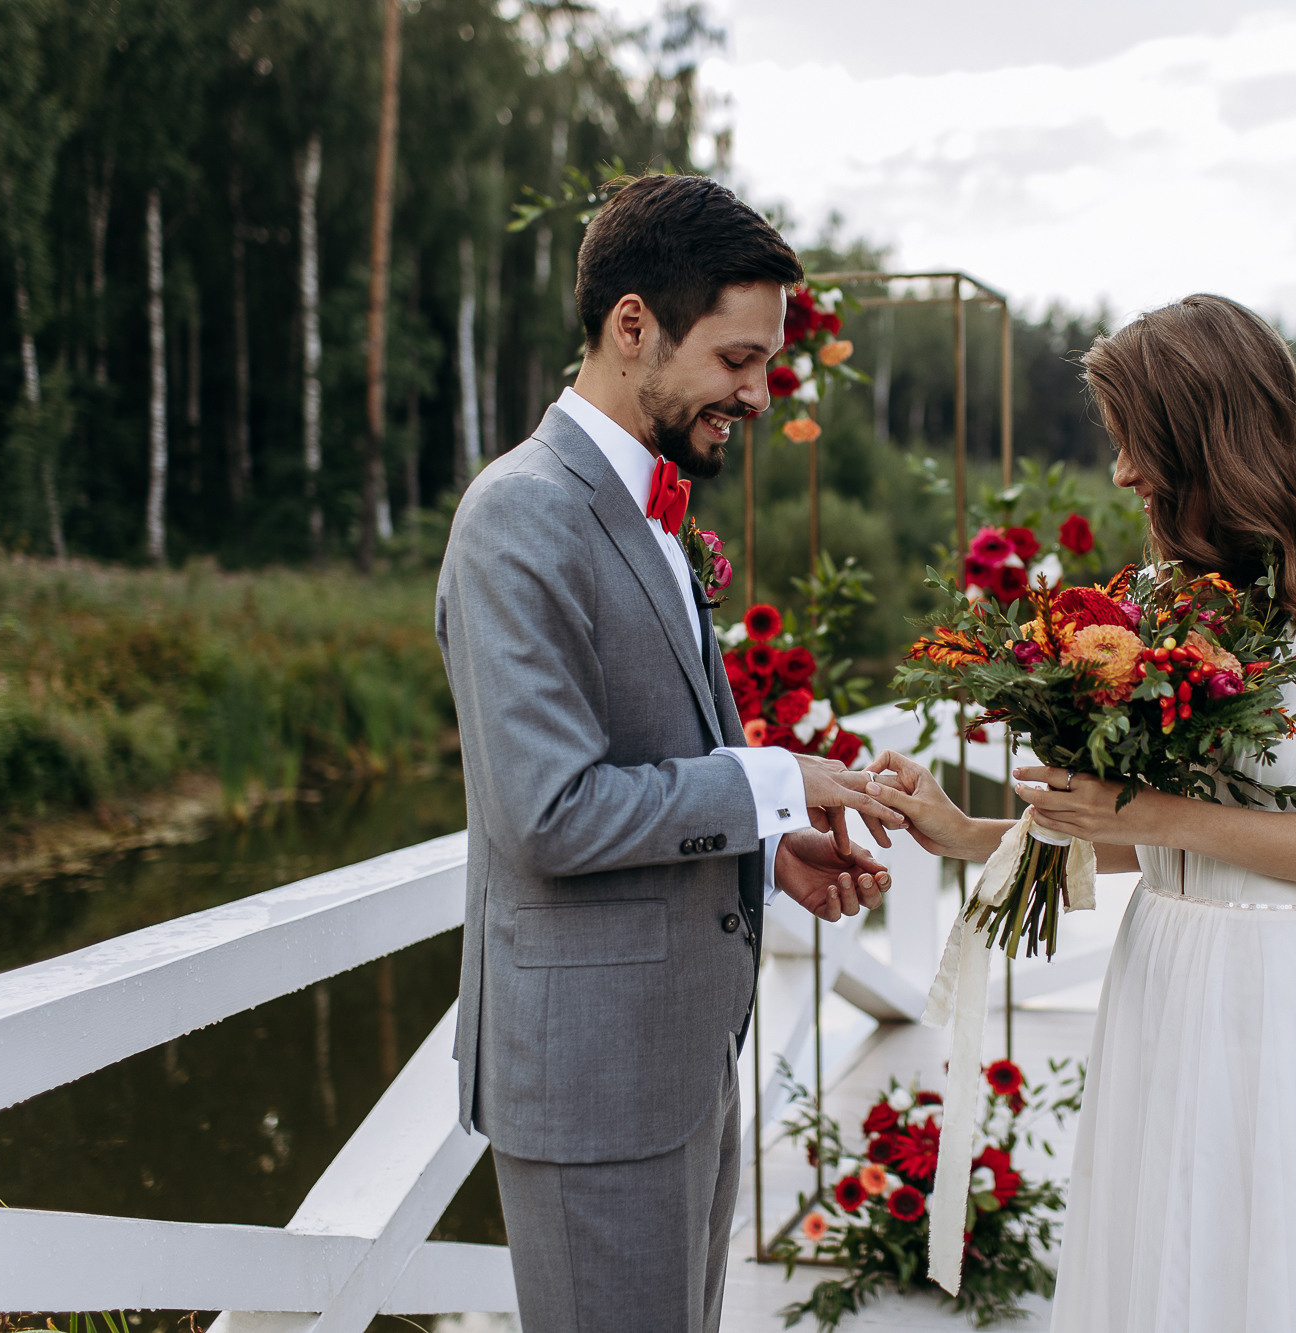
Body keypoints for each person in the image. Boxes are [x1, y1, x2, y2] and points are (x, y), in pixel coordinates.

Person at [865, 294, 1296, 1331]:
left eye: (1133, 440)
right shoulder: (1175, 600)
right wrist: (963, 833)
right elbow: (1145, 837)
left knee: (1260, 1276)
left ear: (1204, 434)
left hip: (1275, 1002)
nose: (1122, 472)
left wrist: (1149, 812)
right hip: (1160, 985)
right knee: (1162, 1269)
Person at [435, 174, 904, 1333]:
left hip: (678, 1062)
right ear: (632, 325)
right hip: (593, 1086)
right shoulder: (519, 514)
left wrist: (765, 840)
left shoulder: (646, 505)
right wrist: (774, 777)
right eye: (738, 360)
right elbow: (547, 810)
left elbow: (650, 761)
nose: (757, 392)